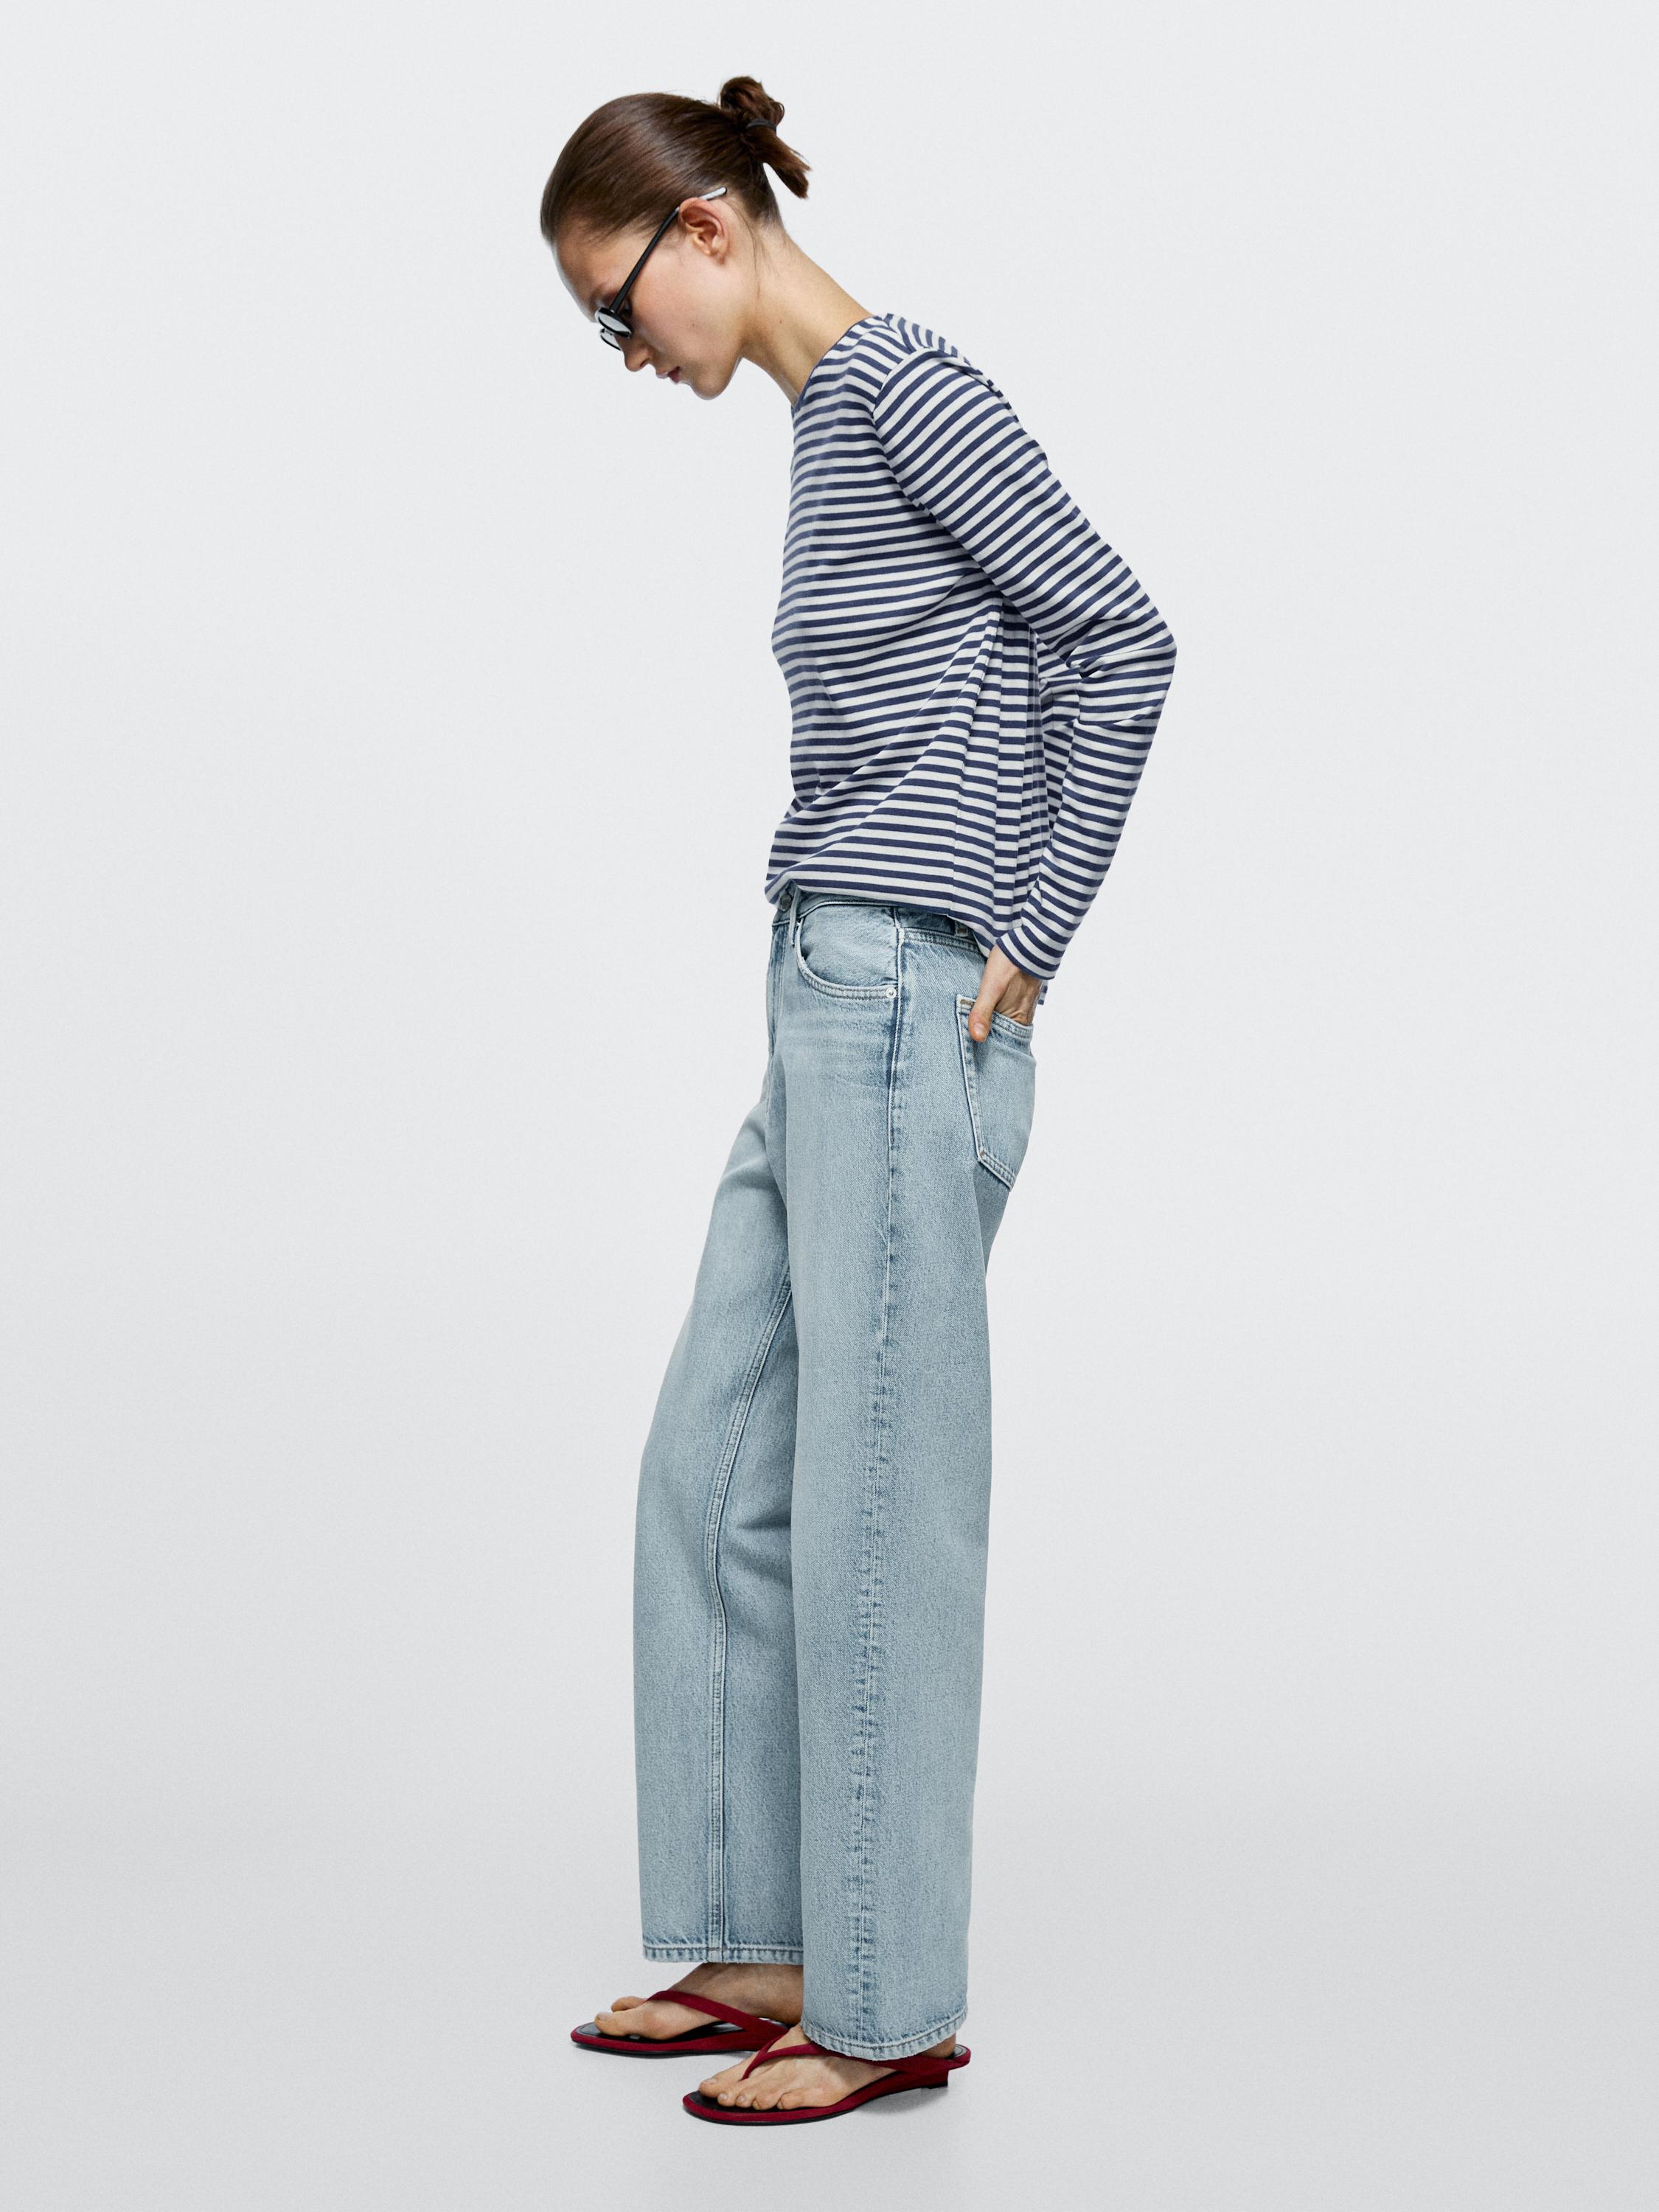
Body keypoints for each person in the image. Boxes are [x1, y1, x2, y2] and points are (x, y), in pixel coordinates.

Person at [540, 75, 1177, 2126]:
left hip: (905, 998)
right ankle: (764, 1937)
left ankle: (887, 2001)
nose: (626, 354)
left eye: (619, 307)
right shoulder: (829, 430)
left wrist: (1031, 930)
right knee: (716, 1463)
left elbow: (1120, 636)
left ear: (705, 228)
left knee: (878, 1496)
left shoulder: (906, 391)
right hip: (821, 992)